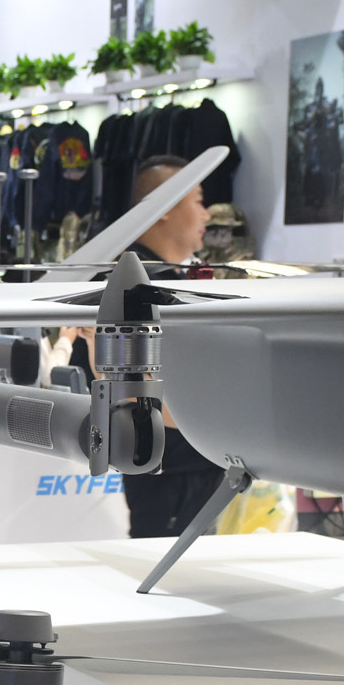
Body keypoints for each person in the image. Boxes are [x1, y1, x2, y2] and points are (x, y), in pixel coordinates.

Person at [112, 155, 231, 542]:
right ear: (164, 208)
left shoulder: (163, 278)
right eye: (198, 200)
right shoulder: (136, 283)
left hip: (192, 460)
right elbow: (127, 388)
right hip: (172, 468)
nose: (206, 214)